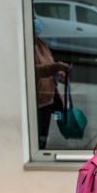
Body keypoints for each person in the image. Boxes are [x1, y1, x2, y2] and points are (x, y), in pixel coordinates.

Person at [33, 17, 70, 150]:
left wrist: (59, 75)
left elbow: (49, 65)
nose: (37, 23)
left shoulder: (41, 43)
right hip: (37, 100)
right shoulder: (26, 46)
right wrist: (56, 67)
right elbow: (33, 71)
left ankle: (42, 145)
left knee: (44, 134)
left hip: (48, 97)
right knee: (37, 138)